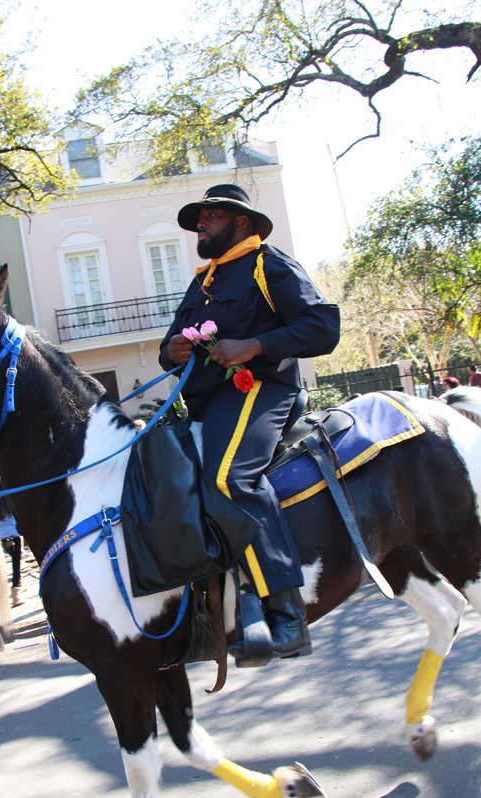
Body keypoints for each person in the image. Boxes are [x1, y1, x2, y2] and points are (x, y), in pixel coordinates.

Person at [159, 184, 340, 659]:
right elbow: (168, 348)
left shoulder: (268, 264)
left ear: (240, 221)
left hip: (259, 391)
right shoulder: (204, 281)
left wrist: (254, 346)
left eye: (210, 216)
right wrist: (173, 350)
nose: (200, 223)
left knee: (229, 479)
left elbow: (324, 326)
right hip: (204, 402)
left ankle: (287, 614)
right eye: (199, 217)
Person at [0, 479, 24, 607]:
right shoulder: (11, 499)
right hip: (14, 535)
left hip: (1, 537)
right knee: (16, 564)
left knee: (12, 562)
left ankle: (19, 584)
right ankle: (15, 594)